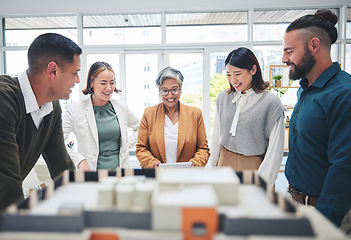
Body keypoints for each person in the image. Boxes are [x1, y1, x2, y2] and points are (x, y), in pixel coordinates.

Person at [282, 9, 351, 233]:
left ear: (314, 46)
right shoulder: (304, 90)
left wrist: (322, 224)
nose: (284, 59)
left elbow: (343, 167)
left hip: (326, 213)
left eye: (289, 51)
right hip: (295, 203)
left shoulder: (344, 93)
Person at [0, 33, 81, 210]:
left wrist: (82, 200)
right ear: (53, 70)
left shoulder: (51, 108)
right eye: (75, 73)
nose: (78, 81)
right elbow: (6, 179)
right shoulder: (4, 98)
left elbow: (61, 166)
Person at [208, 47, 285, 186]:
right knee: (224, 207)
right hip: (224, 164)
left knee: (252, 206)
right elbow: (216, 137)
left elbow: (275, 150)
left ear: (253, 70)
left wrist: (263, 182)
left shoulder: (271, 103)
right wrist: (211, 168)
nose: (233, 80)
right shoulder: (223, 98)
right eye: (228, 75)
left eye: (238, 73)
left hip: (255, 167)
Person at [63, 61, 140, 170]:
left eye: (112, 83)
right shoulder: (75, 110)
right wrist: (79, 159)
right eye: (103, 83)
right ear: (91, 83)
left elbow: (140, 128)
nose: (108, 88)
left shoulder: (121, 107)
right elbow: (58, 142)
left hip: (119, 174)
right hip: (91, 174)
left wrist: (126, 145)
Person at [136, 67, 210, 168]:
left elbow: (203, 149)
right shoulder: (149, 114)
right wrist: (153, 163)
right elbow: (141, 148)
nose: (170, 95)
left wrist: (194, 163)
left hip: (187, 176)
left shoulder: (195, 114)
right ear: (159, 92)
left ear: (180, 90)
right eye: (165, 90)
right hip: (158, 176)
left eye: (174, 89)